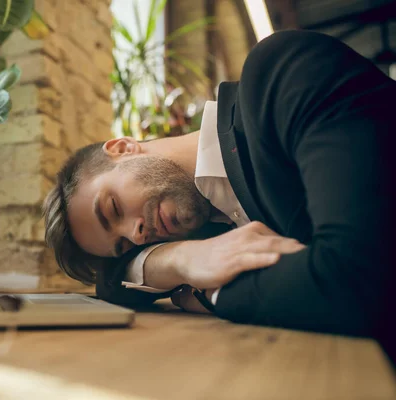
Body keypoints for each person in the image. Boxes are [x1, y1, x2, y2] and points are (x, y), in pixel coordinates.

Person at [42, 29, 396, 350]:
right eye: (123, 245)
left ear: (123, 148)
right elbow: (111, 281)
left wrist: (215, 293)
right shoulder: (206, 230)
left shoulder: (279, 76)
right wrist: (180, 259)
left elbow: (358, 283)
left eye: (113, 209)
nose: (135, 236)